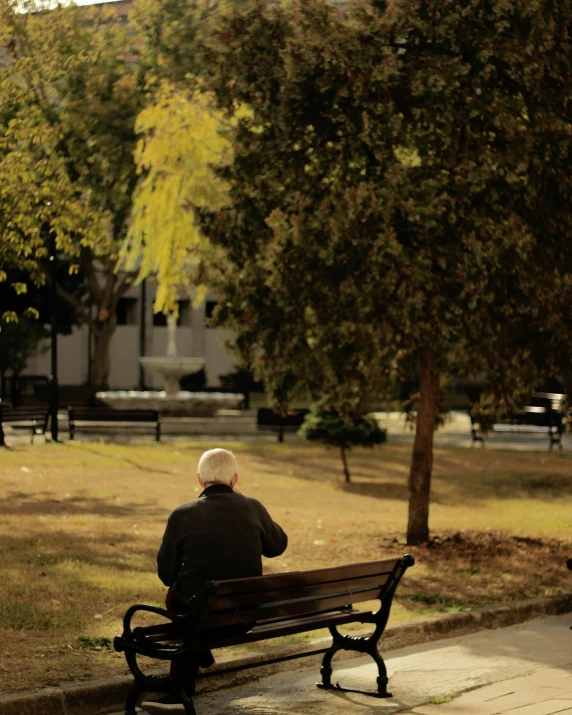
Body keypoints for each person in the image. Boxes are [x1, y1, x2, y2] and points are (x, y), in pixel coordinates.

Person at [143, 448, 288, 713]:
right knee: (195, 608)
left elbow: (166, 575)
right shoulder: (252, 507)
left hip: (199, 618)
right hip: (243, 617)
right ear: (235, 479)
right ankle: (196, 661)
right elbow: (278, 545)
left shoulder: (182, 515)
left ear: (199, 480)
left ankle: (179, 693)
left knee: (180, 600)